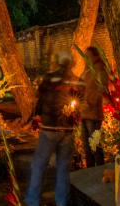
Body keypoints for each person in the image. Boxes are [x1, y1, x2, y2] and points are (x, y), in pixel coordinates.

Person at [26, 53, 80, 206]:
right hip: (67, 129)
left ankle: (32, 200)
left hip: (49, 128)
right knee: (63, 168)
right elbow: (79, 101)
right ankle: (62, 201)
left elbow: (40, 98)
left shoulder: (49, 78)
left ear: (58, 63)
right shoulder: (76, 80)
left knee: (38, 164)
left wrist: (36, 116)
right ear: (72, 64)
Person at [81, 47, 107, 167]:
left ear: (96, 56)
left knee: (95, 145)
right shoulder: (86, 70)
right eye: (85, 56)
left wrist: (90, 101)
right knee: (86, 146)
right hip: (83, 112)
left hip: (93, 113)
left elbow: (102, 89)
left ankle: (100, 169)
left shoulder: (100, 70)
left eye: (88, 56)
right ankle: (89, 171)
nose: (86, 59)